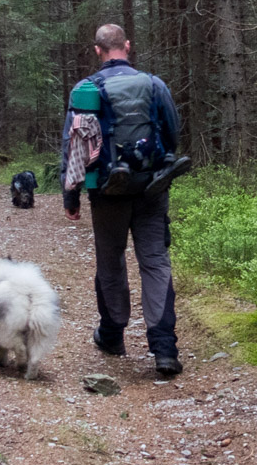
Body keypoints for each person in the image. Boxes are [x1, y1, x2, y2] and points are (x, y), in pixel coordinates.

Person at [60, 24, 184, 376]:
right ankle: (164, 350)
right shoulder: (154, 85)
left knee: (111, 261)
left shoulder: (86, 90)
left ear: (97, 50)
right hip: (151, 188)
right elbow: (172, 132)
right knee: (156, 262)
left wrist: (71, 195)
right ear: (127, 46)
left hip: (107, 192)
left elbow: (73, 147)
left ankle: (113, 335)